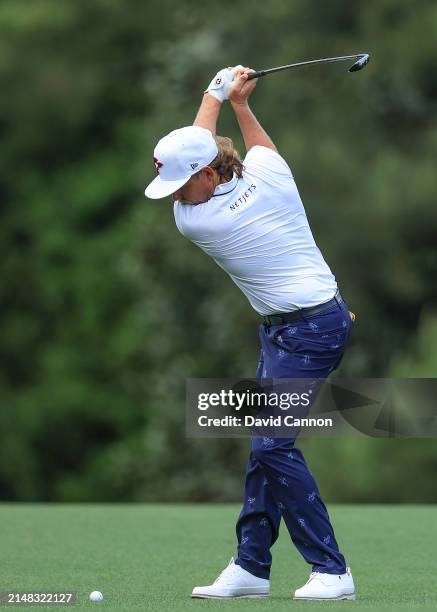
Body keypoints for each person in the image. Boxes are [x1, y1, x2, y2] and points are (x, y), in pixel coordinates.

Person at [145, 66, 356, 601]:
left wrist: (214, 95)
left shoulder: (200, 221)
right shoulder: (269, 172)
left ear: (211, 174)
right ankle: (251, 567)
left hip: (311, 330)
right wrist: (235, 103)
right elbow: (250, 148)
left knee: (271, 443)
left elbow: (203, 145)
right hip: (296, 325)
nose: (175, 197)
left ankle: (332, 570)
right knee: (264, 447)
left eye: (181, 184)